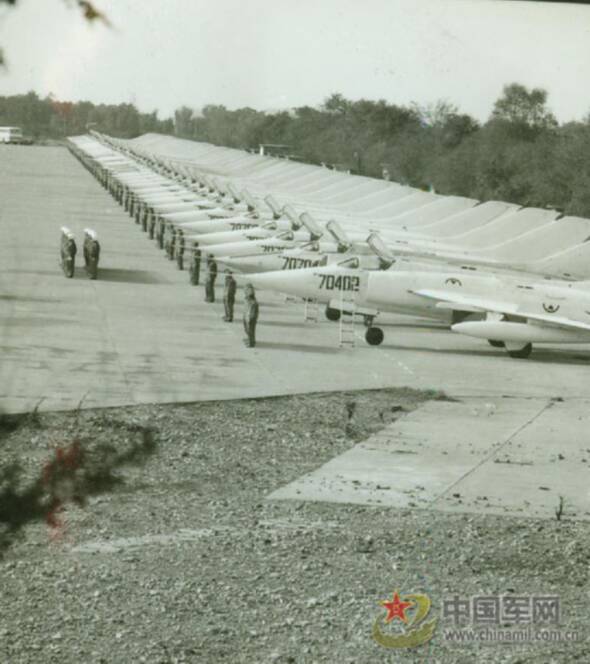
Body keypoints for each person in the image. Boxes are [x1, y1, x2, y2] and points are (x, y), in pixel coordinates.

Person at [242, 283, 259, 348]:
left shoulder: (253, 302)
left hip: (250, 318)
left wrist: (250, 318)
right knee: (247, 329)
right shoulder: (247, 299)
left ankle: (251, 343)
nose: (245, 291)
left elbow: (253, 313)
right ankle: (250, 339)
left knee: (250, 330)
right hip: (247, 315)